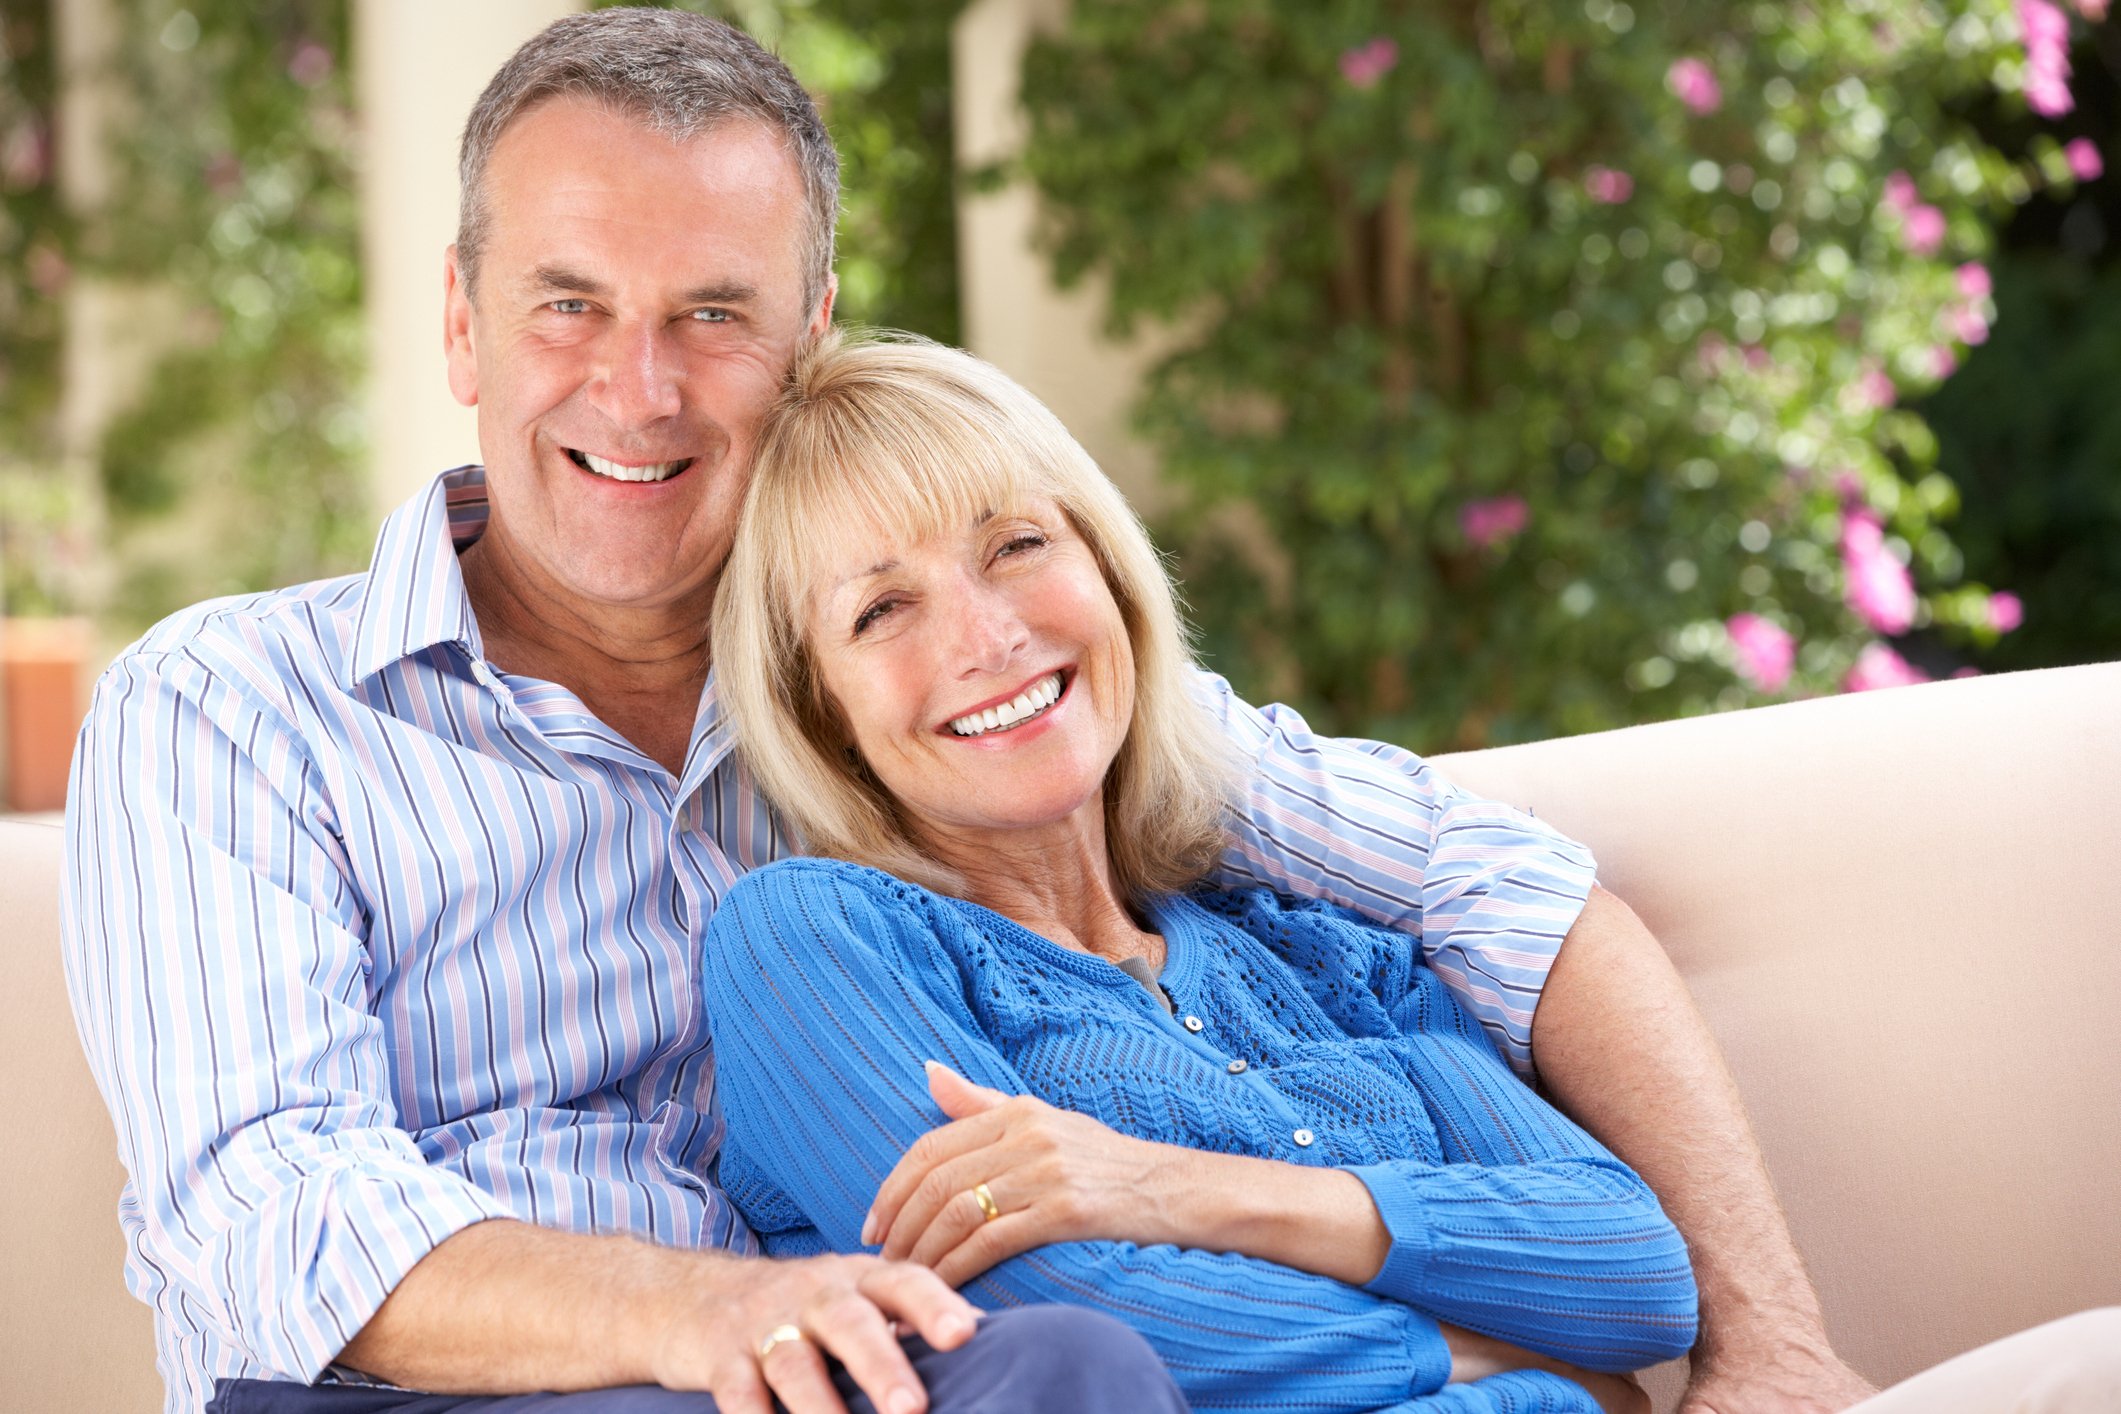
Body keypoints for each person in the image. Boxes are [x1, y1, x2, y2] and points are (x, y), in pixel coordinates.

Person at [62, 8, 1873, 1414]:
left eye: (715, 311)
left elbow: (1513, 894)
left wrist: (1769, 1343)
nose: (638, 382)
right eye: (565, 306)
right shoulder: (230, 705)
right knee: (1066, 1366)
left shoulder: (937, 701)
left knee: (1052, 1372)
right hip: (449, 1389)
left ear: (814, 335)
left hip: (896, 1370)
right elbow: (271, 1213)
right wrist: (722, 1310)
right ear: (461, 323)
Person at [704, 329, 1699, 1413]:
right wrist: (1513, 1352)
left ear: (1109, 571)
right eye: (881, 609)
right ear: (825, 714)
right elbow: (1059, 1325)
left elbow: (1638, 1272)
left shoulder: (1321, 949)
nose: (985, 638)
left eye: (1017, 545)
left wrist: (1166, 1190)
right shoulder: (813, 939)